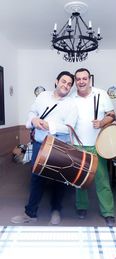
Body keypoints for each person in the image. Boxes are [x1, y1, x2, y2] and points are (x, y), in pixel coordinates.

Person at [11, 71, 77, 225]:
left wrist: (49, 125)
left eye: (69, 84)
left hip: (60, 147)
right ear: (56, 81)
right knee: (36, 178)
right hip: (40, 144)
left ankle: (56, 210)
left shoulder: (71, 104)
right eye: (63, 81)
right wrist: (33, 119)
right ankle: (30, 213)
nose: (66, 85)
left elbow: (69, 128)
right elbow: (32, 111)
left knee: (58, 179)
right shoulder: (42, 96)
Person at [72, 68, 116, 227]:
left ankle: (108, 212)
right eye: (78, 79)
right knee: (80, 180)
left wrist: (102, 122)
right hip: (77, 145)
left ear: (89, 79)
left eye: (84, 78)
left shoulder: (101, 94)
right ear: (75, 80)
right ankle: (81, 206)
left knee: (102, 180)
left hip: (98, 144)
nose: (81, 81)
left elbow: (112, 114)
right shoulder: (71, 97)